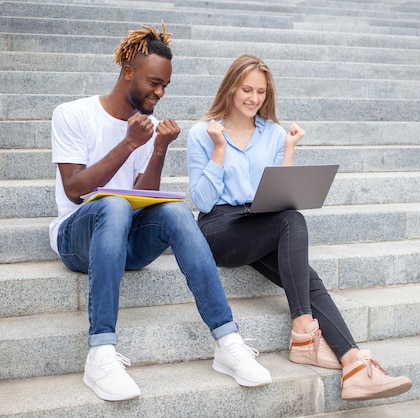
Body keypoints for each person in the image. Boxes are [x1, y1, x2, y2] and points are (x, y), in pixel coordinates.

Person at [49, 25, 271, 402]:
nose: (160, 93)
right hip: (78, 239)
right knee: (114, 203)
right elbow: (75, 189)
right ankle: (101, 354)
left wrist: (158, 148)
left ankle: (227, 342)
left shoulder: (148, 127)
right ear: (128, 72)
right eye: (154, 83)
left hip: (125, 239)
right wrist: (128, 144)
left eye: (165, 85)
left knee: (174, 209)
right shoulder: (73, 114)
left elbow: (144, 196)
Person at [187, 53, 413, 401]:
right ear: (231, 88)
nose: (253, 98)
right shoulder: (204, 133)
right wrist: (219, 150)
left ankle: (353, 366)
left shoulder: (274, 133)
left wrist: (288, 148)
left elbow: (281, 192)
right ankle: (305, 332)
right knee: (293, 224)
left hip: (260, 220)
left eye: (261, 92)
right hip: (219, 229)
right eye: (246, 89)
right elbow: (201, 203)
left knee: (306, 274)